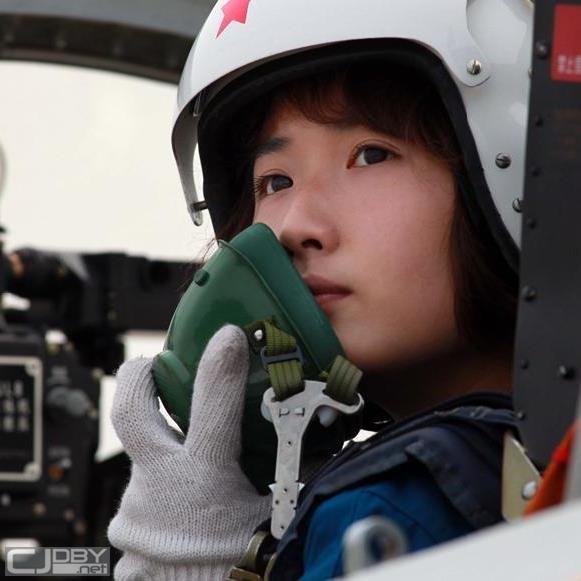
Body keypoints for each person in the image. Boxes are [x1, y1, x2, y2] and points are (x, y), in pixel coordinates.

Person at [108, 0, 533, 579]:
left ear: (510, 171)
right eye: (275, 181)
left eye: (371, 155)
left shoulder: (387, 510)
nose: (294, 227)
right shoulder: (531, 470)